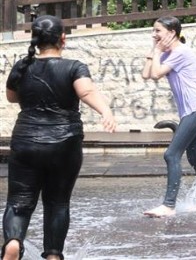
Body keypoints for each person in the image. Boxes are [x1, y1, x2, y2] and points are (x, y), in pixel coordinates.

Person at [3, 15, 116, 260]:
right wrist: (105, 111)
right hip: (64, 144)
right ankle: (53, 255)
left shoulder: (22, 67)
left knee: (19, 202)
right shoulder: (74, 67)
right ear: (62, 39)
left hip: (26, 141)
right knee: (57, 203)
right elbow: (86, 91)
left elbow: (11, 98)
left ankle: (13, 241)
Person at [141, 16, 196, 218]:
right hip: (192, 111)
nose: (154, 34)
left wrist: (157, 51)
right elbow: (146, 74)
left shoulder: (181, 52)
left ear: (172, 32)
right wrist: (154, 49)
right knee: (195, 158)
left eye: (157, 31)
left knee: (171, 154)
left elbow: (156, 74)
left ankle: (168, 206)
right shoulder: (168, 53)